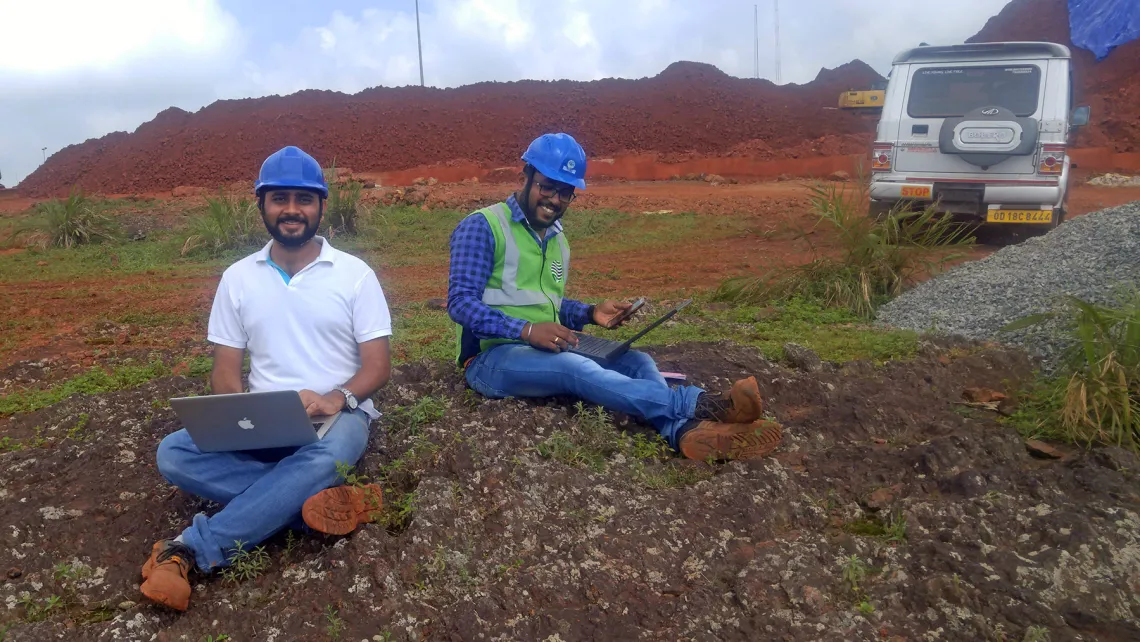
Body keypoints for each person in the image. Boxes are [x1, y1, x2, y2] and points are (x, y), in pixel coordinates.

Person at [139, 146, 393, 611]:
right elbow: (224, 369)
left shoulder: (355, 275)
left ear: (321, 205)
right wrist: (240, 413)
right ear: (262, 205)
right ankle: (306, 510)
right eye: (279, 198)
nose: (292, 209)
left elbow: (378, 365)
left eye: (304, 199)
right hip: (263, 417)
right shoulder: (237, 278)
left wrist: (337, 397)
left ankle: (190, 550)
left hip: (338, 418)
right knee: (173, 451)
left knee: (325, 456)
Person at [447, 133, 783, 461]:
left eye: (565, 193)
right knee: (571, 367)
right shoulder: (484, 226)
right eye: (546, 186)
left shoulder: (557, 240)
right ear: (526, 176)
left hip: (543, 346)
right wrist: (528, 331)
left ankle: (682, 433)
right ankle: (704, 406)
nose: (554, 199)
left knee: (637, 362)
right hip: (491, 358)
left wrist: (592, 313)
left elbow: (544, 302)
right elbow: (460, 303)